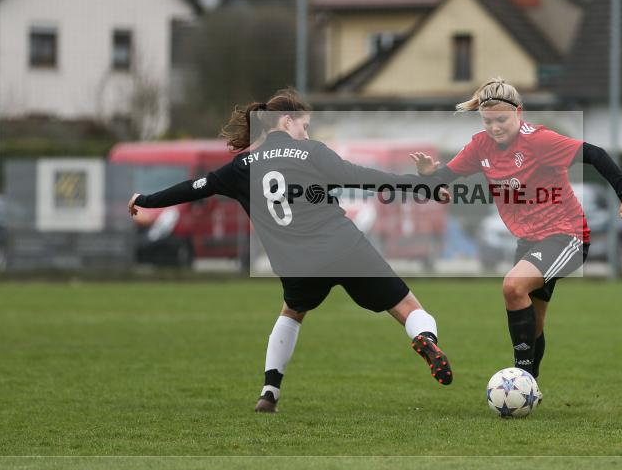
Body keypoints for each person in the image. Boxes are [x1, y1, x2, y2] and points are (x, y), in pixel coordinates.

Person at [127, 90, 452, 413]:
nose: (307, 133)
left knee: (292, 314)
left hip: (297, 263)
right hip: (344, 246)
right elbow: (366, 178)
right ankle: (426, 339)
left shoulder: (239, 167)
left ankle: (269, 392)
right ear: (287, 121)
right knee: (406, 306)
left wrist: (146, 199)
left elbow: (193, 188)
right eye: (305, 125)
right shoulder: (311, 152)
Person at [410, 78, 622, 381]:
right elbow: (445, 179)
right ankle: (529, 385)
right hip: (530, 241)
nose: (495, 127)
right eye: (488, 121)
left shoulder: (539, 141)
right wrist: (430, 178)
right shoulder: (480, 145)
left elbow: (596, 154)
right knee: (533, 323)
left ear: (519, 112)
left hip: (567, 235)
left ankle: (520, 381)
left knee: (513, 286)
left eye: (502, 120)